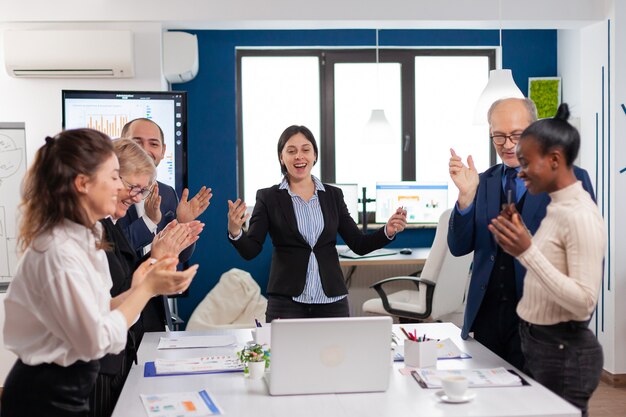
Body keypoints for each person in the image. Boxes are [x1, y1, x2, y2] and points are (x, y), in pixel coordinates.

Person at [1, 129, 198, 417]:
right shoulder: (58, 250)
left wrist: (145, 285)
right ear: (83, 183)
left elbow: (102, 310)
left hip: (72, 385)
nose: (121, 187)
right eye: (114, 176)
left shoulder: (86, 235)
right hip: (46, 396)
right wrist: (144, 289)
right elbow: (94, 339)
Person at [447, 97, 595, 370]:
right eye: (498, 136)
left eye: (516, 134)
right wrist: (465, 199)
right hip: (488, 320)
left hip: (544, 321)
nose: (507, 144)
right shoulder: (483, 181)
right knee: (491, 406)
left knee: (541, 406)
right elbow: (458, 247)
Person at [488, 103, 605, 417]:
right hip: (538, 342)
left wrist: (526, 250)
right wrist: (521, 240)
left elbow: (583, 302)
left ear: (554, 160)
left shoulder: (580, 215)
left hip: (563, 352)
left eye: (527, 163)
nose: (520, 171)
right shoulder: (556, 207)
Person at [227, 125, 408, 322]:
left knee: (337, 353)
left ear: (314, 155)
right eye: (291, 151)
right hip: (287, 301)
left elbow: (358, 244)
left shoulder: (333, 195)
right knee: (286, 353)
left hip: (331, 299)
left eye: (306, 150)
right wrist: (235, 231)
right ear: (281, 157)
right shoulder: (268, 197)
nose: (299, 156)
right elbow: (251, 250)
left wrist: (387, 231)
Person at [89, 139, 202, 417]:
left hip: (116, 354)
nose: (137, 198)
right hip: (96, 365)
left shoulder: (108, 225)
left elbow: (125, 278)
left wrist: (156, 254)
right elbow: (112, 299)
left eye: (143, 190)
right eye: (133, 188)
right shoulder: (89, 230)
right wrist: (151, 273)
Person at [117, 118, 212, 260]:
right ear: (123, 145)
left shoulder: (168, 193)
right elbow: (113, 251)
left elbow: (180, 256)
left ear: (163, 151)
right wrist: (148, 221)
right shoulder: (112, 189)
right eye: (137, 143)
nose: (144, 150)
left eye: (154, 144)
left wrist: (183, 224)